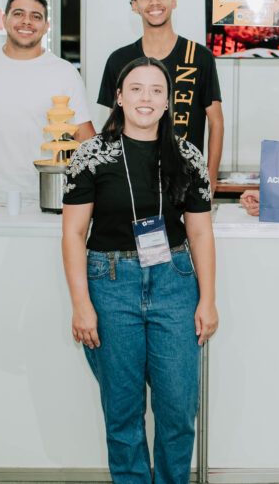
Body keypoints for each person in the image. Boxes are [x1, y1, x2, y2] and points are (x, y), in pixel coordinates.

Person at [62, 56, 217, 484]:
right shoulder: (91, 155)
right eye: (135, 88)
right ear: (118, 97)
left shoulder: (187, 155)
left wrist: (207, 300)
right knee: (123, 411)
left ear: (168, 102)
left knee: (178, 409)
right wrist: (81, 305)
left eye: (156, 90)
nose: (145, 98)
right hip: (110, 285)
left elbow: (200, 233)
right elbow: (73, 234)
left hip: (175, 283)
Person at [0, 0, 95, 206]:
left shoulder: (64, 72)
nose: (26, 21)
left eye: (35, 16)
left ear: (46, 26)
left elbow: (85, 139)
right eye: (18, 14)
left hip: (44, 198)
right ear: (4, 20)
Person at [98, 0, 223, 193]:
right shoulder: (119, 60)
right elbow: (115, 124)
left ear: (174, 1)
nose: (154, 2)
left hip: (186, 181)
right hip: (133, 180)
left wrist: (209, 180)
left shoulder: (199, 56)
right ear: (135, 6)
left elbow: (216, 122)